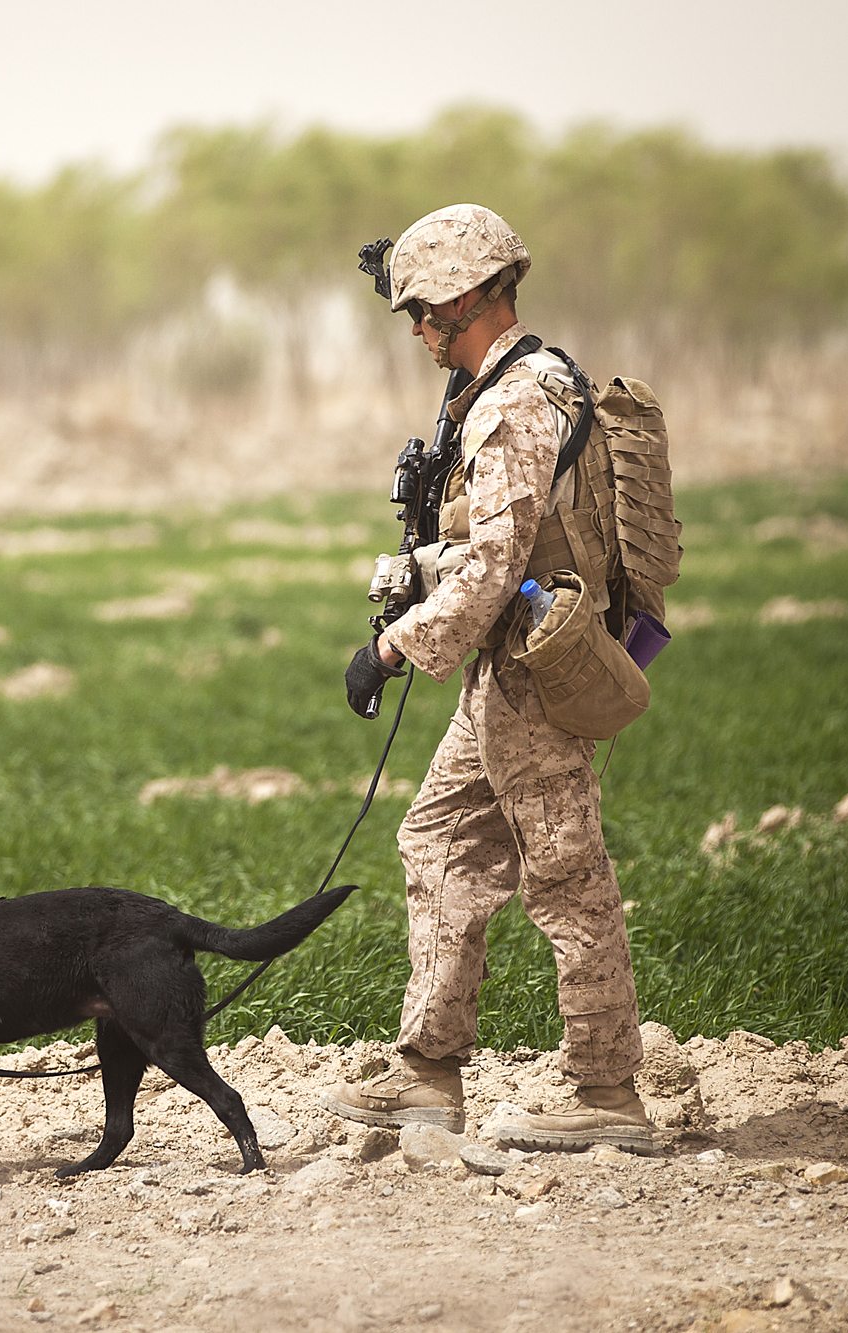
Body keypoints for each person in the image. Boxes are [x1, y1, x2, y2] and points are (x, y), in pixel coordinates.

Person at [321, 204, 652, 1154]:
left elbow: (496, 561)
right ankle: (426, 1074)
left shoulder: (513, 399)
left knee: (565, 875)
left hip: (533, 672)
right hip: (510, 669)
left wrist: (391, 648)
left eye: (422, 310)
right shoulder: (515, 383)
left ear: (467, 296)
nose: (418, 331)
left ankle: (606, 1092)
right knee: (438, 840)